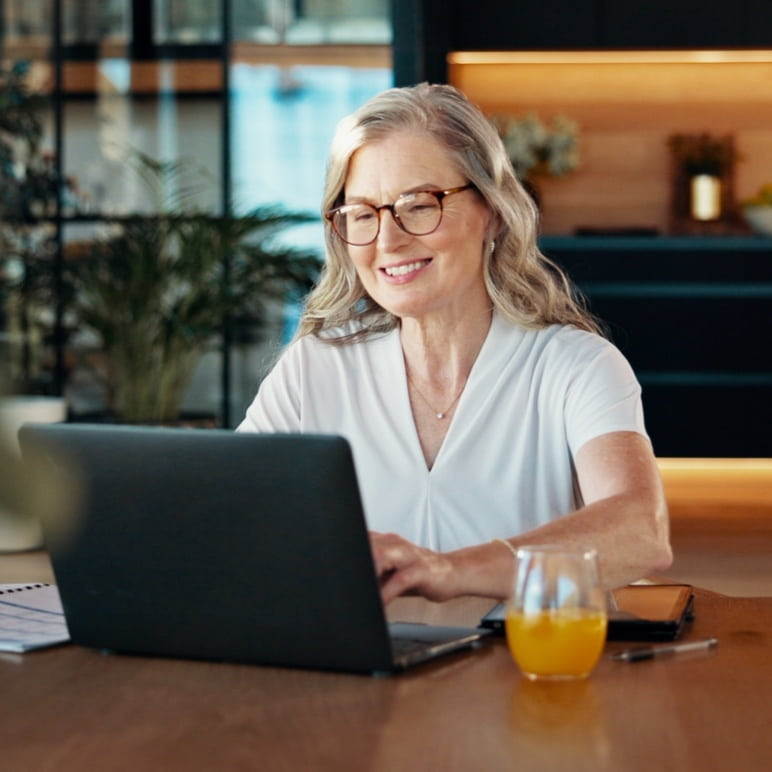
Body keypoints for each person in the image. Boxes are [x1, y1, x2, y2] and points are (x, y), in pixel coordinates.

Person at [238, 82, 672, 604]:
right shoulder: (315, 366)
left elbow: (639, 531)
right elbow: (229, 510)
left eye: (418, 206)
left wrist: (447, 570)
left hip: (526, 673)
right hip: (365, 676)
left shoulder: (575, 365)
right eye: (362, 214)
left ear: (493, 210)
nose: (387, 240)